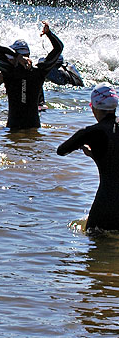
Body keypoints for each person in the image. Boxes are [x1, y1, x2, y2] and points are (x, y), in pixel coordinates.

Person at [57, 83, 119, 231]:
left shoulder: (91, 132)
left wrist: (87, 144)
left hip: (106, 205)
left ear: (94, 108)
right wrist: (94, 155)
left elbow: (62, 150)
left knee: (95, 246)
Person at [0, 21, 63, 130]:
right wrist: (49, 34)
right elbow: (59, 48)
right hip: (34, 127)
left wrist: (17, 56)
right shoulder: (39, 71)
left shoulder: (9, 72)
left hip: (13, 127)